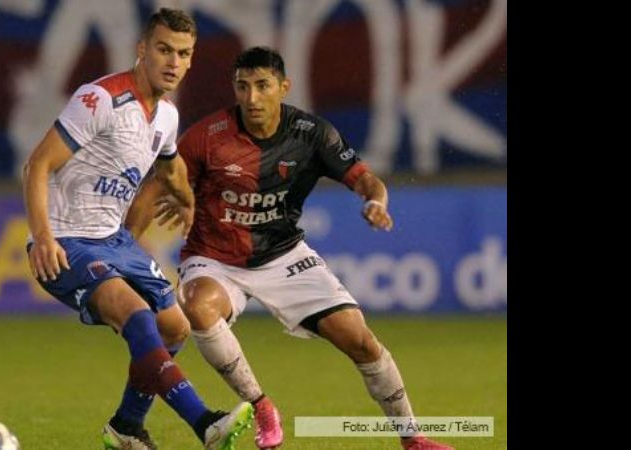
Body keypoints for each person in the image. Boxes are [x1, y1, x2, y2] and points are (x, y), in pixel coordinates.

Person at [128, 46, 453, 450]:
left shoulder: (312, 134)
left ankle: (413, 438)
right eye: (242, 87)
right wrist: (125, 246)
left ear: (284, 87)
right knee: (198, 306)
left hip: (284, 255)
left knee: (360, 340)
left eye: (263, 86)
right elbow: (158, 185)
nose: (252, 98)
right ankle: (261, 406)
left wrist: (375, 202)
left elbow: (366, 179)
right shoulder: (207, 137)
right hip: (214, 258)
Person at [22, 9, 253, 450]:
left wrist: (186, 199)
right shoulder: (101, 99)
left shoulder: (166, 115)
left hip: (115, 240)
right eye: (164, 49)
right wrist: (44, 236)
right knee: (136, 314)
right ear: (142, 50)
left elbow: (171, 167)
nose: (172, 61)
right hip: (68, 239)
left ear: (191, 61)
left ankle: (127, 426)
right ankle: (205, 423)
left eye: (182, 54)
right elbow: (38, 163)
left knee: (175, 327)